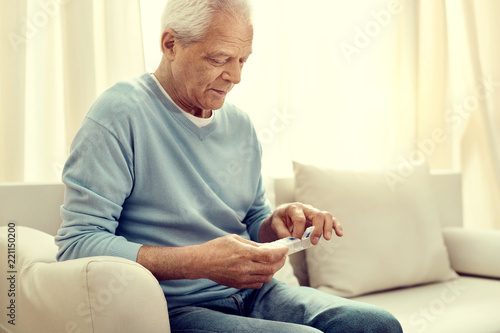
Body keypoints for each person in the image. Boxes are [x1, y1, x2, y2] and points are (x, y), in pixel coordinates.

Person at [55, 0, 403, 332]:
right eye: (220, 58)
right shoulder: (118, 114)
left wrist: (276, 224)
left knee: (378, 325)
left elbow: (253, 223)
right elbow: (77, 244)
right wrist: (197, 262)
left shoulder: (240, 126)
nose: (235, 76)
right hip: (175, 307)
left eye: (242, 60)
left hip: (256, 294)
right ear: (170, 44)